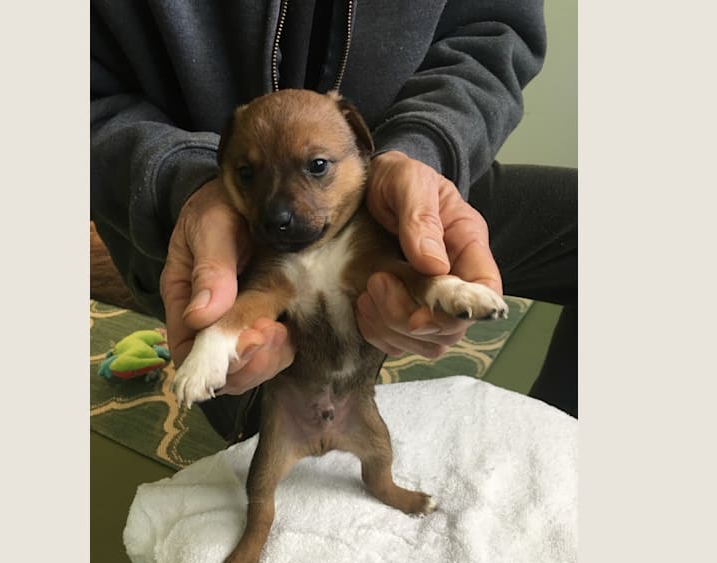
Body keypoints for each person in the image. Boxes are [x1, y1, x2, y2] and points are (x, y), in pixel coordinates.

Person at [91, 0, 577, 442]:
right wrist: (182, 181)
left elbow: (495, 30)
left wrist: (427, 148)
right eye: (247, 173)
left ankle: (559, 451)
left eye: (316, 167)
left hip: (408, 169)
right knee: (282, 427)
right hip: (204, 219)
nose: (281, 207)